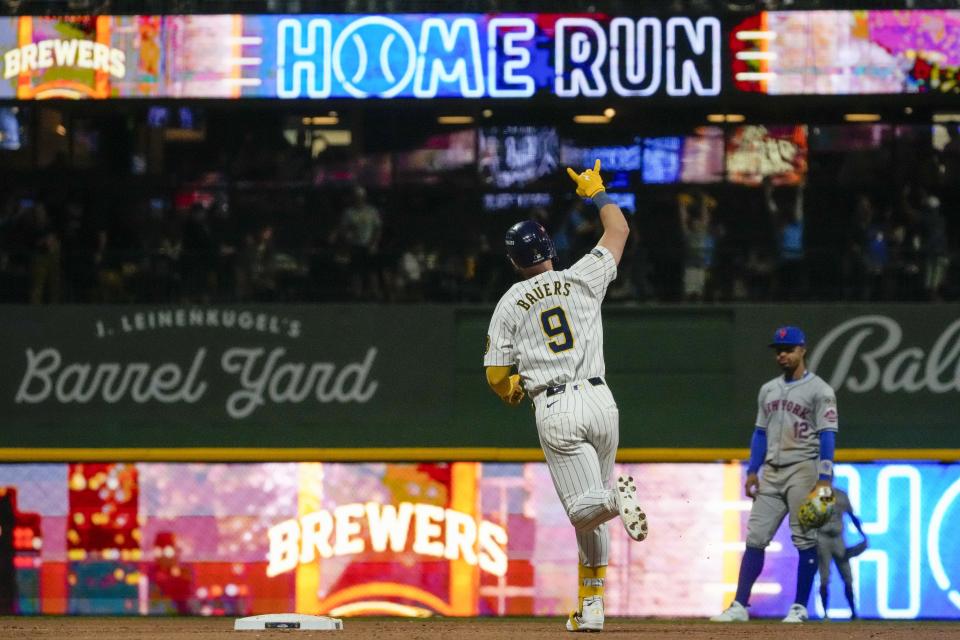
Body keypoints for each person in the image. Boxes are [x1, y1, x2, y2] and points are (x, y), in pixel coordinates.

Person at [483, 160, 648, 633]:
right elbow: (619, 228)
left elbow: (497, 374)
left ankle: (617, 497)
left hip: (556, 406)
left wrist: (512, 388)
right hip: (601, 399)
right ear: (550, 248)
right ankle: (592, 608)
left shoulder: (511, 303)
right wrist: (597, 193)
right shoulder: (583, 278)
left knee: (584, 510)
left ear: (515, 261)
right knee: (592, 512)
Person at [712, 325, 838, 623]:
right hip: (771, 470)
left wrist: (825, 477)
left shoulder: (820, 390)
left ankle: (799, 607)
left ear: (803, 350)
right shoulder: (768, 390)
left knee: (804, 538)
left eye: (789, 349)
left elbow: (828, 435)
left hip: (803, 468)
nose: (782, 354)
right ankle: (740, 606)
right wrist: (752, 469)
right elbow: (759, 433)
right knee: (755, 537)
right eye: (779, 350)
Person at [817, 487, 867, 620]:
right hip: (822, 537)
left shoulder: (841, 494)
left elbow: (851, 515)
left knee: (847, 576)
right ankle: (825, 613)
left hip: (838, 538)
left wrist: (863, 535)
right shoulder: (817, 494)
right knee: (824, 577)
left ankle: (853, 612)